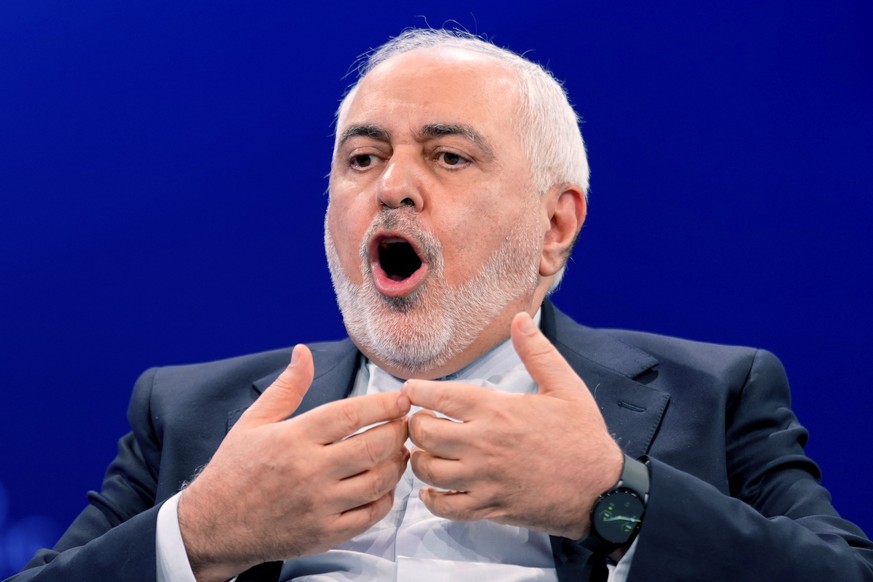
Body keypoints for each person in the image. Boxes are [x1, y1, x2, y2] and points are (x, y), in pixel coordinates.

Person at [11, 28, 873, 582]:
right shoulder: (187, 411)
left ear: (554, 225)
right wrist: (200, 534)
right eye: (362, 159)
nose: (392, 187)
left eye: (448, 157)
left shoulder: (713, 394)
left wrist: (612, 499)